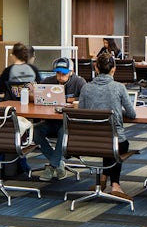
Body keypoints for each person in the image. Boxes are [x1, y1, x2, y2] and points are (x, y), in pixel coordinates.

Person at [75, 51, 137, 197]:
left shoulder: (86, 88)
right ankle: (115, 185)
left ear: (96, 68)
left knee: (106, 140)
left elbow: (82, 114)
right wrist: (117, 110)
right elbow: (132, 114)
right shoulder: (119, 87)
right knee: (118, 142)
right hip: (114, 140)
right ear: (113, 69)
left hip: (92, 140)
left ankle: (102, 179)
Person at [34, 57, 85, 178]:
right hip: (51, 121)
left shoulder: (79, 82)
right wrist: (33, 92)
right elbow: (37, 96)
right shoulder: (48, 81)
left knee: (64, 132)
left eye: (64, 73)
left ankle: (52, 165)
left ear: (71, 72)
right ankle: (58, 163)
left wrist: (68, 100)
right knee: (36, 131)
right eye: (58, 73)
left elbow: (85, 98)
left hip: (70, 122)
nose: (60, 76)